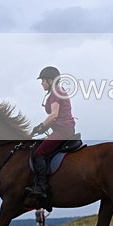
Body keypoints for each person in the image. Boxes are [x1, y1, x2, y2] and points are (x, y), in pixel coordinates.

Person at [27, 66, 76, 202]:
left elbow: (54, 115)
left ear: (50, 80)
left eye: (42, 80)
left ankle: (42, 187)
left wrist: (40, 126)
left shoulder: (55, 92)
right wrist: (42, 129)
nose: (41, 83)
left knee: (38, 153)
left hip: (62, 130)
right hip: (63, 129)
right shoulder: (57, 91)